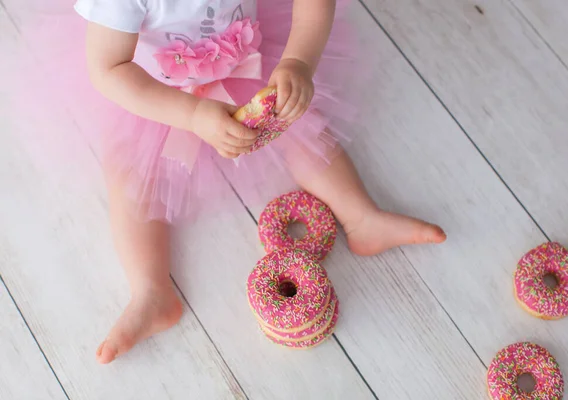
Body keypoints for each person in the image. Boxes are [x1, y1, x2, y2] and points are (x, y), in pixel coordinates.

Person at [18, 0, 447, 364]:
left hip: (250, 63)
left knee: (301, 125)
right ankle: (151, 290)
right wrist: (190, 114)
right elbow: (109, 68)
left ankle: (363, 218)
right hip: (157, 95)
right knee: (129, 174)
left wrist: (298, 62)